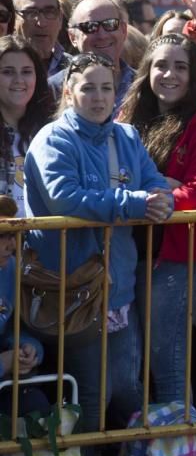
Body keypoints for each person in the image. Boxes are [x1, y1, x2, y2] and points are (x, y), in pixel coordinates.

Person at [24, 51, 172, 436]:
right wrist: (136, 203)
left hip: (118, 285)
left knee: (125, 390)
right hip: (71, 288)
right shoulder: (52, 139)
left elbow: (155, 181)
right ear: (70, 92)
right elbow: (65, 198)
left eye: (106, 88)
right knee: (89, 397)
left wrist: (160, 199)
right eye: (88, 88)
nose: (99, 97)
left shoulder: (127, 135)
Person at [116, 33, 196, 403]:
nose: (169, 74)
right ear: (147, 70)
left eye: (181, 66)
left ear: (194, 75)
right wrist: (162, 185)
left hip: (173, 262)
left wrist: (141, 193)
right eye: (161, 64)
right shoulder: (128, 117)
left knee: (169, 365)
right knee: (126, 368)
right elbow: (111, 177)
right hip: (124, 256)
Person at [0, 35, 56, 217]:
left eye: (26, 71)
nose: (18, 80)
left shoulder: (52, 133)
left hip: (39, 241)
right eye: (8, 72)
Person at [50, 0, 135, 110]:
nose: (102, 35)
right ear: (73, 37)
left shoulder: (143, 85)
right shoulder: (53, 89)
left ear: (124, 31)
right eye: (90, 27)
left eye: (110, 24)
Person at [0, 195, 43, 379]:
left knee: (37, 404)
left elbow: (10, 328)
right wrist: (3, 363)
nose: (13, 245)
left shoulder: (9, 267)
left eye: (14, 234)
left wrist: (27, 348)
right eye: (2, 235)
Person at [11, 0, 67, 75]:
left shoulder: (75, 70)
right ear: (13, 19)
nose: (41, 23)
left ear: (60, 19)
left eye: (49, 12)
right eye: (31, 13)